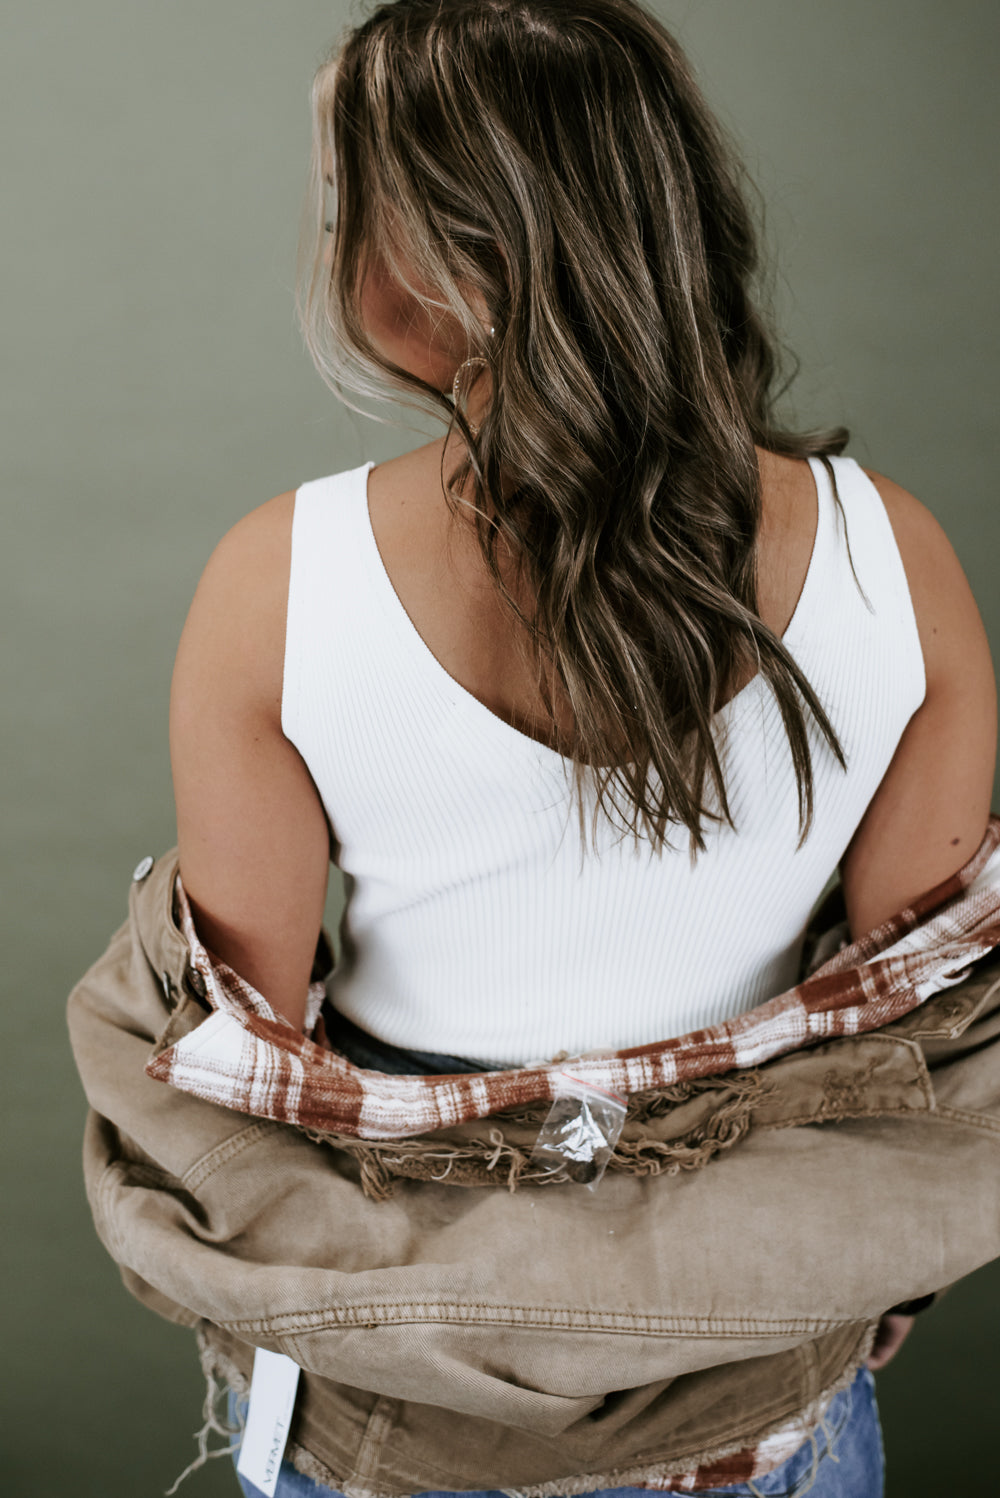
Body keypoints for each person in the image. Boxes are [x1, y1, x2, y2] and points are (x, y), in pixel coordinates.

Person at [167, 2, 996, 1494]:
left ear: (435, 264)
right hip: (764, 1389)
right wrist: (860, 1280)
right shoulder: (902, 560)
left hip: (399, 1396)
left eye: (351, 209)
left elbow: (244, 1073)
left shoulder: (272, 583)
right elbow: (930, 1048)